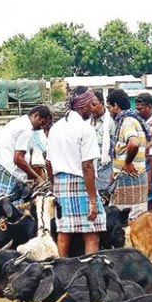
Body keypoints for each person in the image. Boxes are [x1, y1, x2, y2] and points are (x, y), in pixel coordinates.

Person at [46, 86, 104, 256]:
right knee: (91, 235)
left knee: (63, 234)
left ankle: (57, 273)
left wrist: (53, 185)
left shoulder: (56, 128)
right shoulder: (85, 129)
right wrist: (93, 200)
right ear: (84, 106)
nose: (93, 109)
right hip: (81, 184)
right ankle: (91, 273)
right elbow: (87, 166)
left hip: (60, 184)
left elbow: (48, 162)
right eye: (91, 105)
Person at [0, 105, 52, 199]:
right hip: (9, 171)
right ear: (36, 115)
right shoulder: (26, 129)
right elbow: (18, 158)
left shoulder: (17, 122)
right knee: (10, 208)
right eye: (41, 122)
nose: (40, 127)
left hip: (0, 165)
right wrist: (38, 178)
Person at [107, 88, 149, 218]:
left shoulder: (127, 122)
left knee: (123, 222)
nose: (109, 111)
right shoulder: (133, 120)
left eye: (109, 107)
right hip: (137, 178)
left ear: (116, 106)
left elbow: (134, 143)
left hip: (128, 179)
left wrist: (128, 163)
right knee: (138, 220)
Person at [89, 91, 113, 193]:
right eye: (89, 105)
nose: (91, 108)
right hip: (90, 171)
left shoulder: (111, 122)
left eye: (94, 105)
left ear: (102, 104)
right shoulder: (86, 122)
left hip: (106, 172)